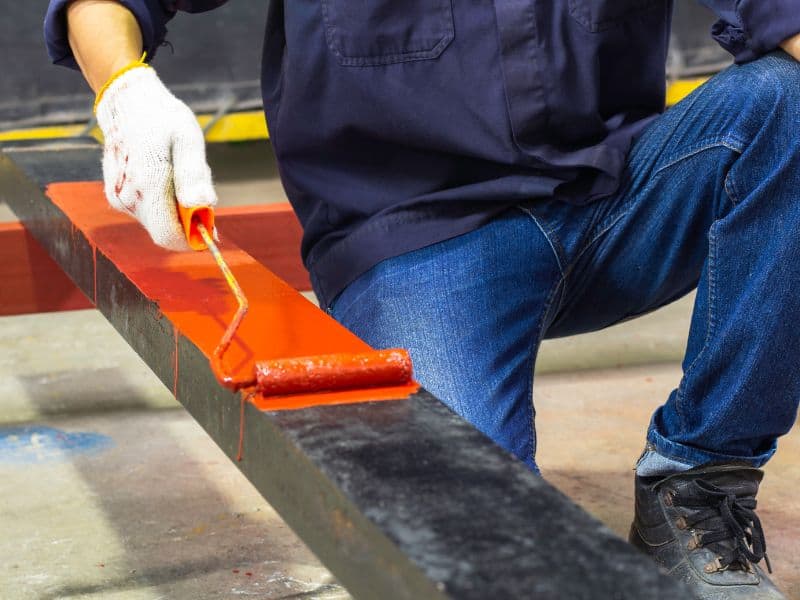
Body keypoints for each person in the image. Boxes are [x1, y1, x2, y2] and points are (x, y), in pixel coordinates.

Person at [46, 1, 800, 596]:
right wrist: (125, 91)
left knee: (787, 101)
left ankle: (696, 484)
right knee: (477, 550)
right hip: (420, 236)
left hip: (617, 196)